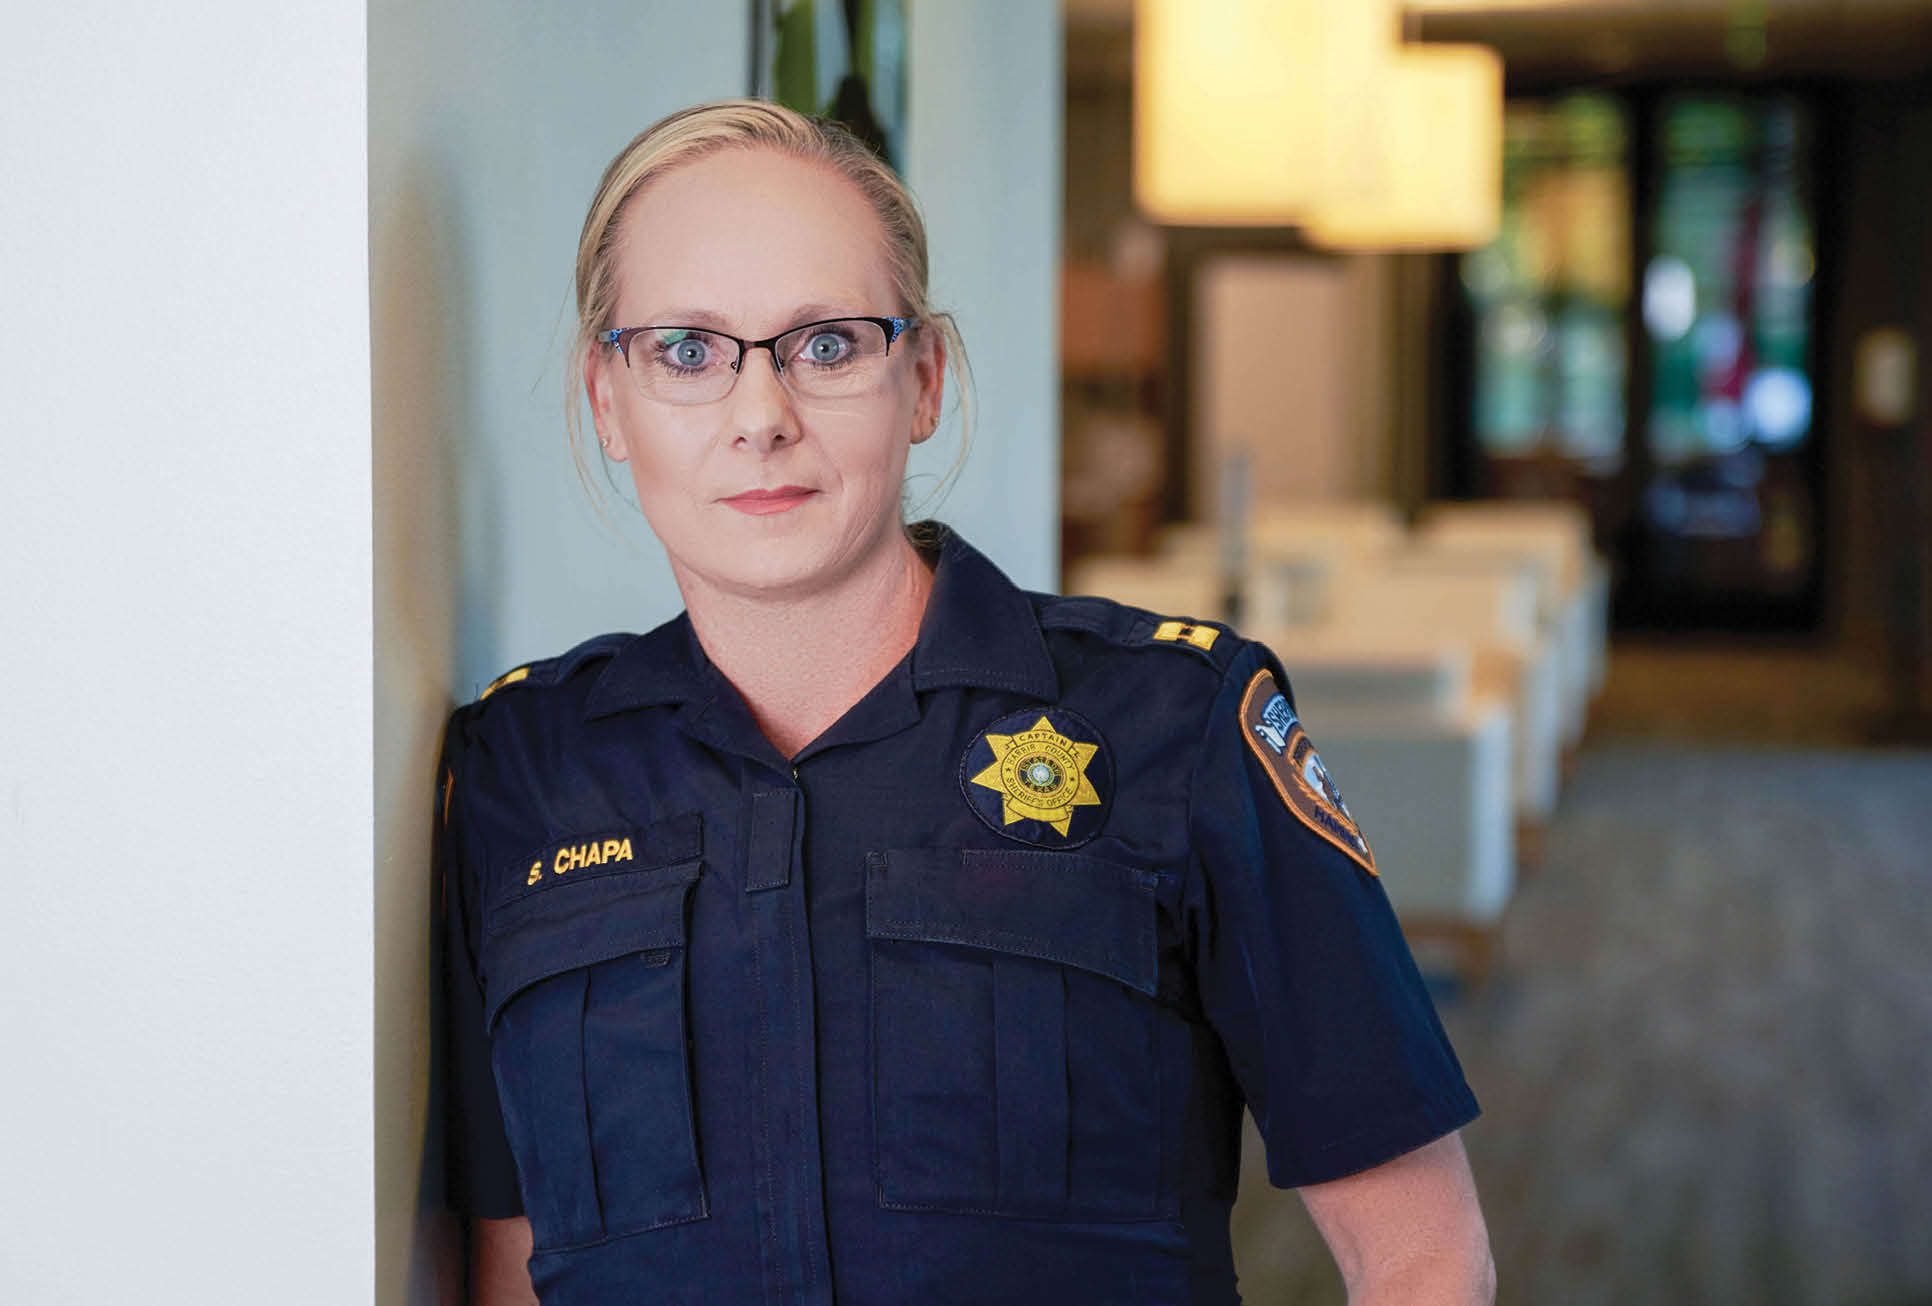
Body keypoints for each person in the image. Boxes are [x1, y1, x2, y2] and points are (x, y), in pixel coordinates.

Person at [434, 99, 1493, 1306]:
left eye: (828, 344)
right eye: (686, 350)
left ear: (923, 379)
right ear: (606, 400)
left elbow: (1420, 1254)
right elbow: (511, 1267)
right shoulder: (520, 770)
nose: (760, 415)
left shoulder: (1175, 724)